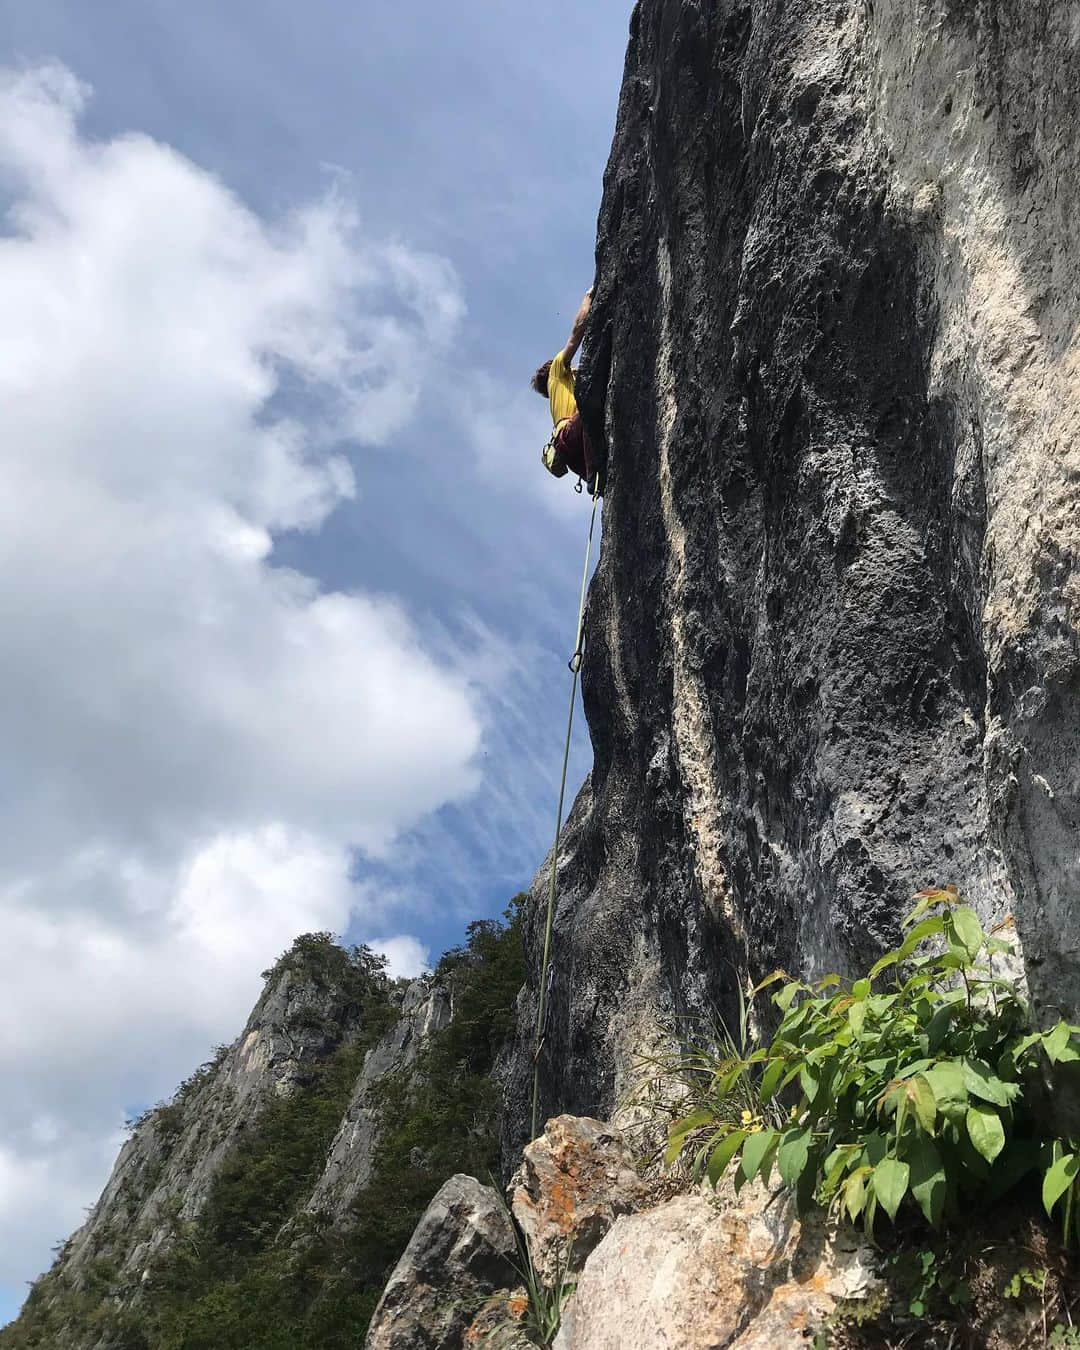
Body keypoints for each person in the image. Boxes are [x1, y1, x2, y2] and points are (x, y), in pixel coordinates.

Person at [532, 286, 601, 494]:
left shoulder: (562, 392)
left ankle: (596, 477)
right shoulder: (556, 371)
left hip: (573, 451)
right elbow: (576, 332)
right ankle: (593, 473)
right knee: (588, 404)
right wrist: (588, 298)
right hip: (570, 436)